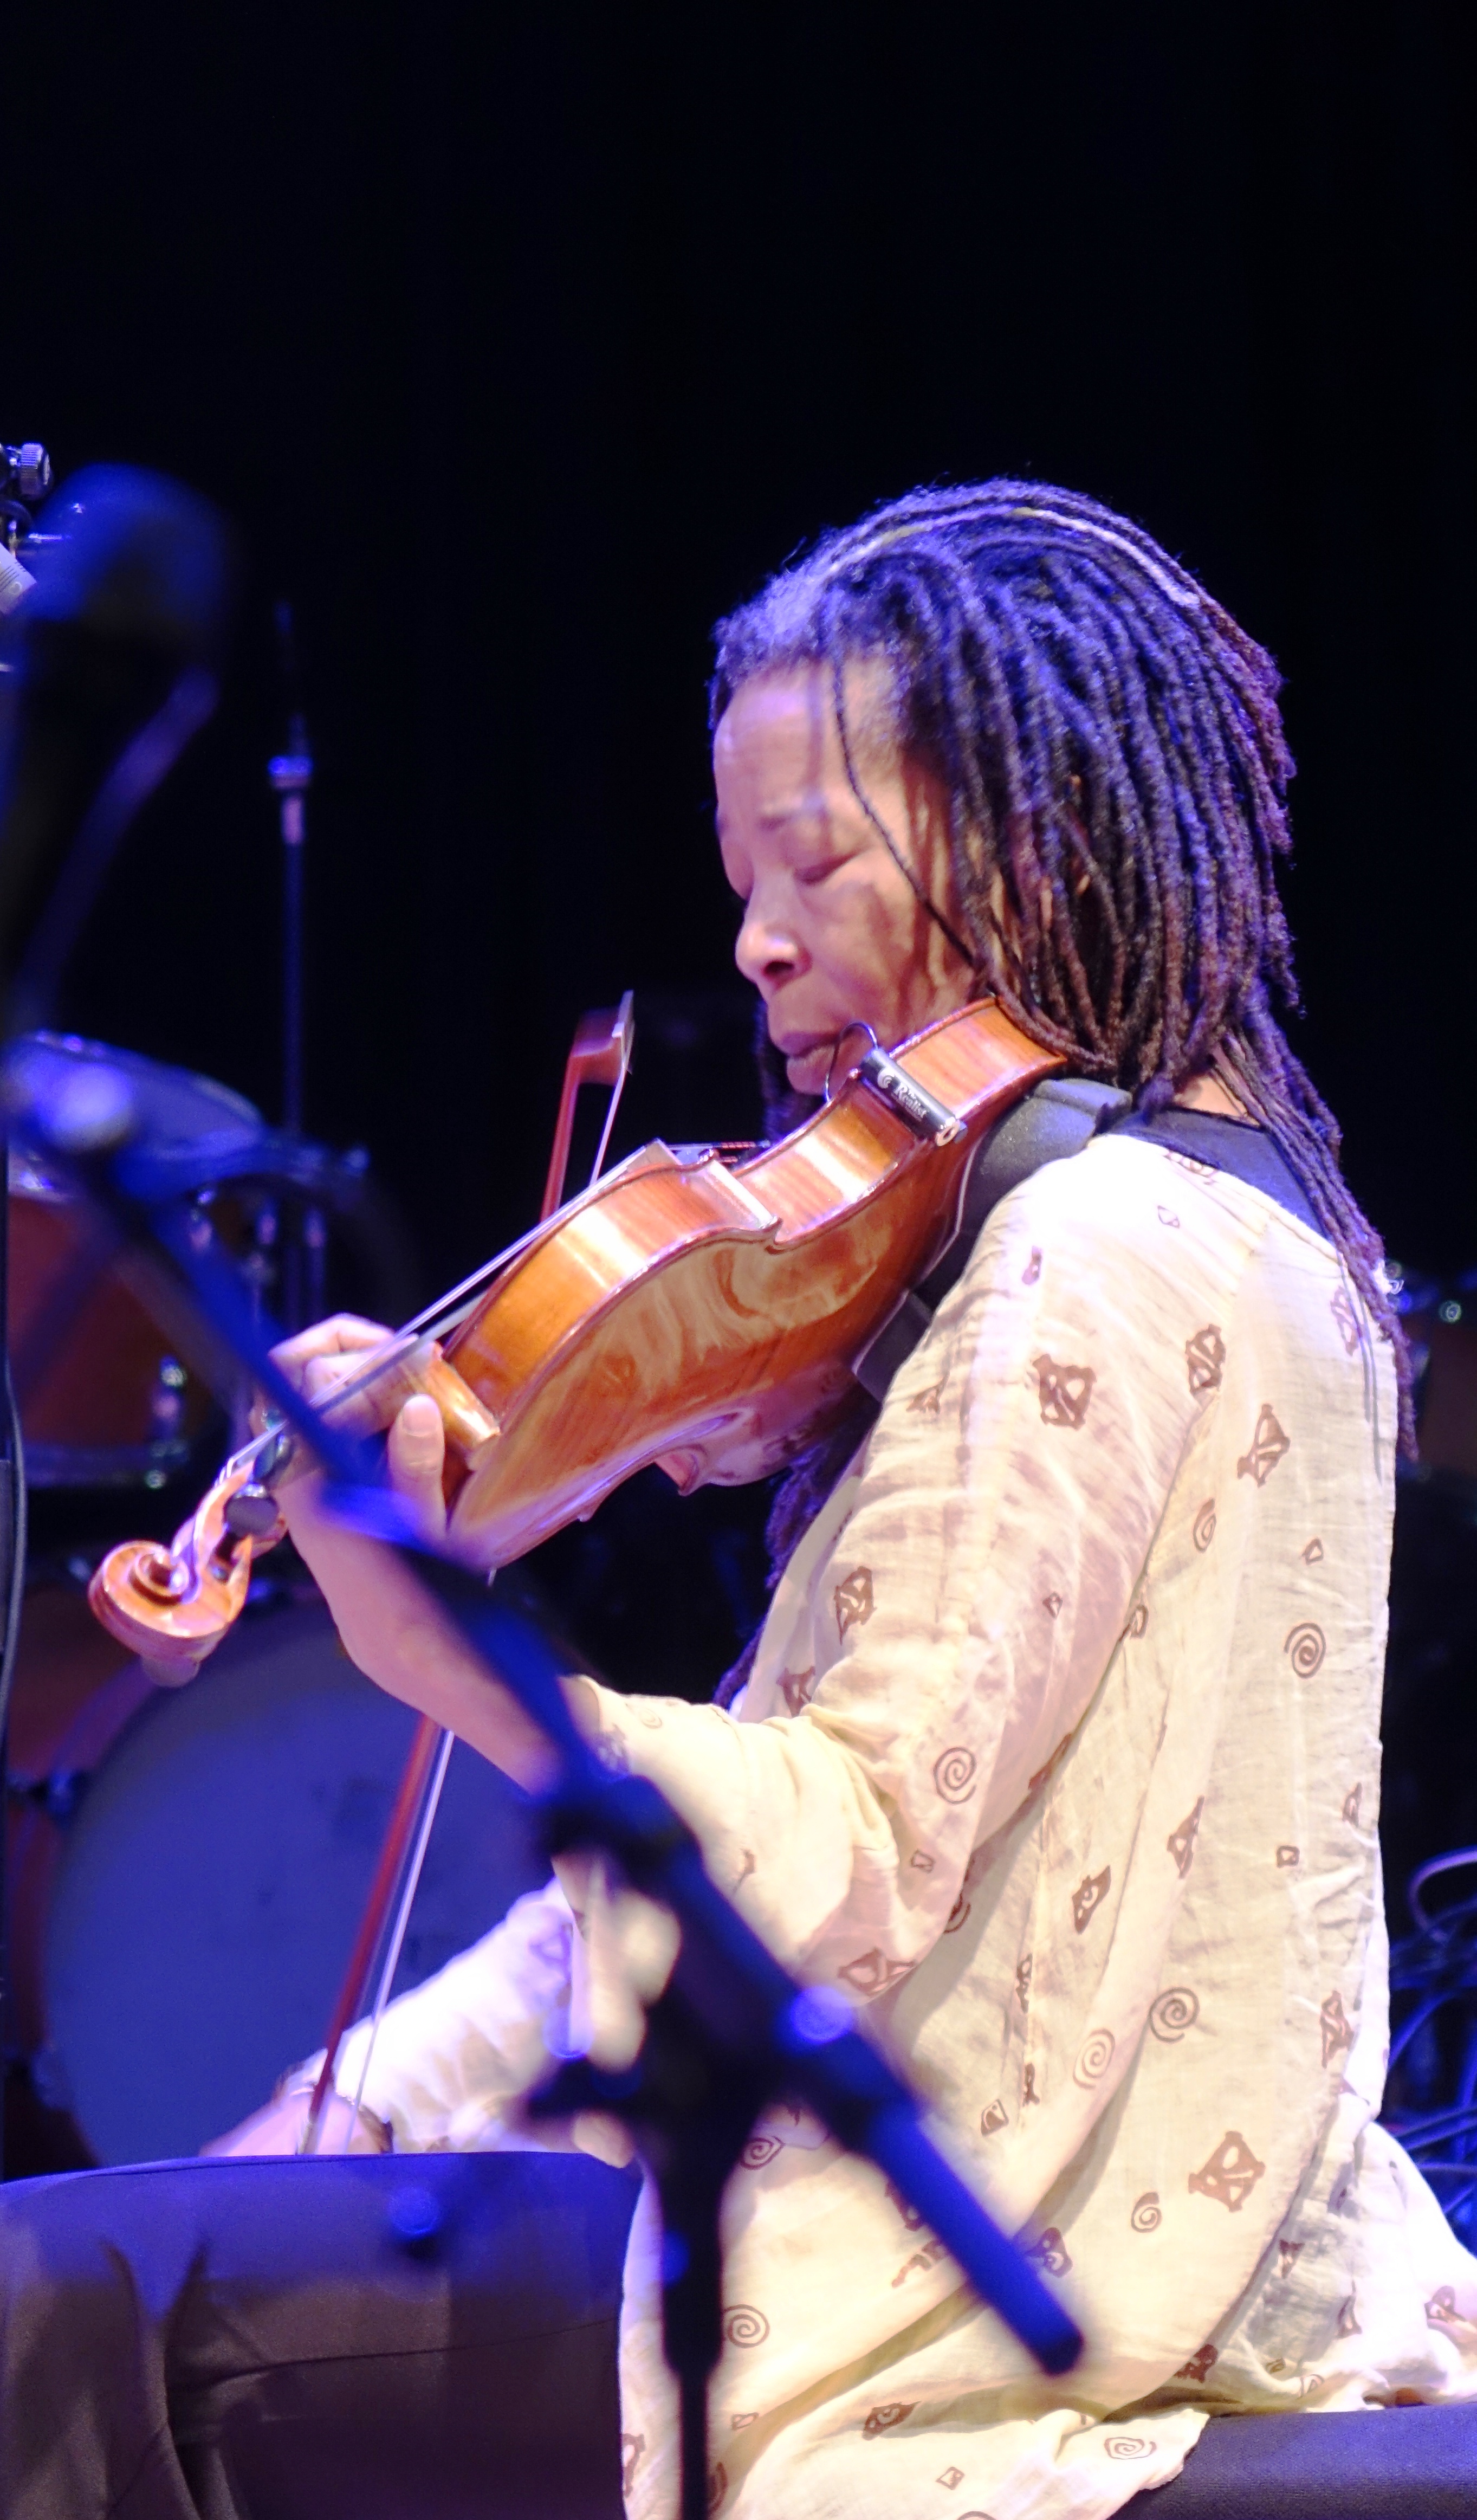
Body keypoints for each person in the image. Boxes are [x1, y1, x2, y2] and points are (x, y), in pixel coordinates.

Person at [5, 479, 1477, 2520]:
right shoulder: (1251, 1223)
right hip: (1110, 2229)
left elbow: (838, 1854)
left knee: (45, 2303)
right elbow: (737, 1876)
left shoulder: (1088, 1265)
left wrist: (457, 1654)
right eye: (740, 871)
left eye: (814, 862)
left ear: (1035, 845)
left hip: (951, 2295)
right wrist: (343, 2116)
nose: (754, 939)